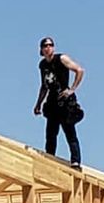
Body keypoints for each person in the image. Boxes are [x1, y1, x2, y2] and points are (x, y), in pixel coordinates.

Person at [33, 38, 85, 168]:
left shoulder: (61, 59)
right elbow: (44, 86)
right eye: (45, 45)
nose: (48, 47)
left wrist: (71, 89)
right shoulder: (43, 65)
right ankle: (49, 159)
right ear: (41, 49)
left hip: (64, 101)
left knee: (70, 132)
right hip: (52, 102)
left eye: (51, 45)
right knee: (51, 134)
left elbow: (79, 70)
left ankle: (75, 161)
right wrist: (38, 104)